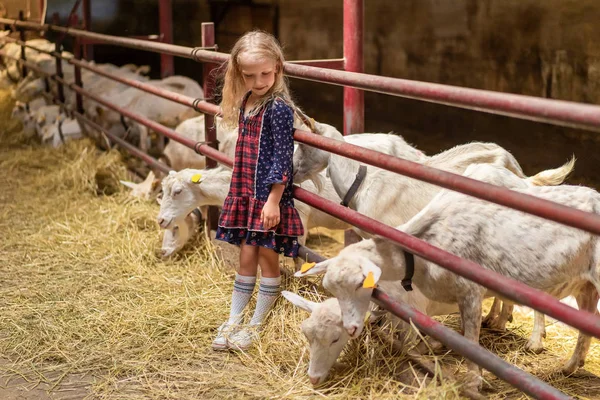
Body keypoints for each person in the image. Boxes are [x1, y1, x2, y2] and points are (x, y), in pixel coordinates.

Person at [212, 30, 304, 351]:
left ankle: (256, 323)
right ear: (239, 73)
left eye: (265, 73)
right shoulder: (247, 101)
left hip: (267, 199)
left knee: (268, 258)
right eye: (250, 75)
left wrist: (273, 202)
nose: (259, 80)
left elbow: (282, 158)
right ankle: (234, 318)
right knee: (245, 256)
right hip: (246, 193)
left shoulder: (278, 108)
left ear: (278, 67)